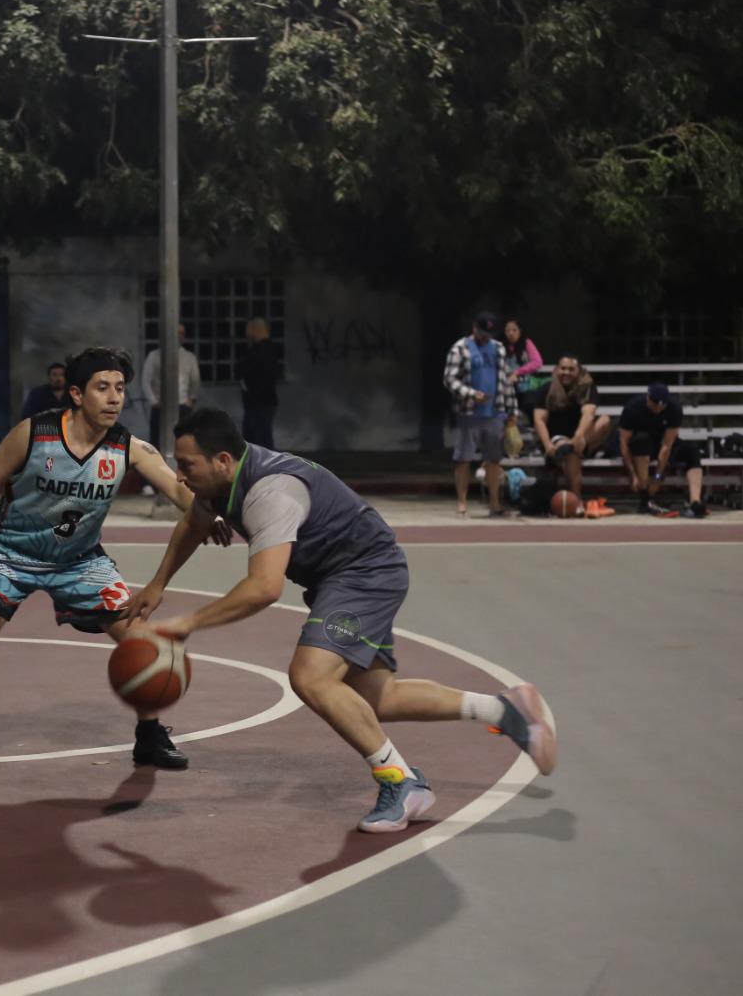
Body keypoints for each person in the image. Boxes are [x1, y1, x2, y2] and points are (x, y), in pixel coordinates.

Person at [137, 408, 557, 833]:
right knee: (375, 701)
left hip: (364, 572)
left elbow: (264, 587)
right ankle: (505, 711)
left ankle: (401, 781)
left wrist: (186, 623)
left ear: (222, 460)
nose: (180, 476)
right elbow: (195, 521)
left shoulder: (271, 493)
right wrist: (157, 585)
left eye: (187, 465)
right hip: (343, 575)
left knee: (310, 677)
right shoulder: (221, 481)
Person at [0, 346, 227, 776]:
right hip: (11, 552)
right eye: (102, 388)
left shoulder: (128, 447)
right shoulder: (33, 433)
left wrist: (207, 511)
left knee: (139, 637)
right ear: (76, 393)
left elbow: (178, 490)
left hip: (80, 560)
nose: (114, 398)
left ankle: (150, 736)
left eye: (120, 389)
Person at [441, 313, 517, 517]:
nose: (485, 336)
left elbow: (505, 380)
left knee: (493, 460)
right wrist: (471, 394)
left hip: (495, 411)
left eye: (488, 333)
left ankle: (494, 503)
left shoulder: (499, 348)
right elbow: (449, 379)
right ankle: (462, 502)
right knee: (463, 458)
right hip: (469, 412)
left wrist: (511, 410)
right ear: (474, 328)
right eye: (482, 332)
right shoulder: (460, 348)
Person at [532, 353, 614, 517]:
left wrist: (578, 437)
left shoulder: (587, 387)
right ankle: (577, 499)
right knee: (571, 454)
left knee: (604, 420)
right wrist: (548, 445)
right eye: (563, 368)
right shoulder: (546, 389)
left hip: (581, 438)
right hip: (555, 439)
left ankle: (570, 447)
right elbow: (539, 420)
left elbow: (589, 414)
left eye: (571, 369)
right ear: (556, 370)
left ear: (579, 371)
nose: (566, 372)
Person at [618, 382, 708, 518]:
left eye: (662, 405)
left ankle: (695, 502)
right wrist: (633, 475)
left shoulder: (674, 408)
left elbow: (667, 446)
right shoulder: (632, 408)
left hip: (662, 445)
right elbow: (623, 444)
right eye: (655, 404)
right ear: (648, 398)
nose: (658, 408)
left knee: (692, 451)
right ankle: (645, 498)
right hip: (640, 446)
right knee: (641, 440)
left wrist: (657, 478)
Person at [141, 322, 201, 447]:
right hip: (160, 407)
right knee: (157, 444)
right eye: (176, 333)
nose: (179, 336)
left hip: (183, 407)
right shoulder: (154, 355)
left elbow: (195, 380)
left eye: (182, 333)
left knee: (184, 443)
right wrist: (153, 402)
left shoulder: (189, 357)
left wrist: (191, 399)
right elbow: (146, 380)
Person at [238, 317, 281, 449]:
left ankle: (266, 468)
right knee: (256, 439)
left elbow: (254, 373)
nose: (246, 334)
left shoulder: (262, 351)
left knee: (260, 440)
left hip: (259, 402)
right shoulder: (266, 349)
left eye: (248, 329)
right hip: (258, 402)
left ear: (255, 330)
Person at [503, 318, 544, 393]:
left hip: (525, 386)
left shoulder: (526, 343)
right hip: (507, 387)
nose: (510, 333)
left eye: (514, 330)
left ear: (520, 331)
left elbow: (537, 362)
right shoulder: (501, 346)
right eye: (507, 331)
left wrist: (517, 372)